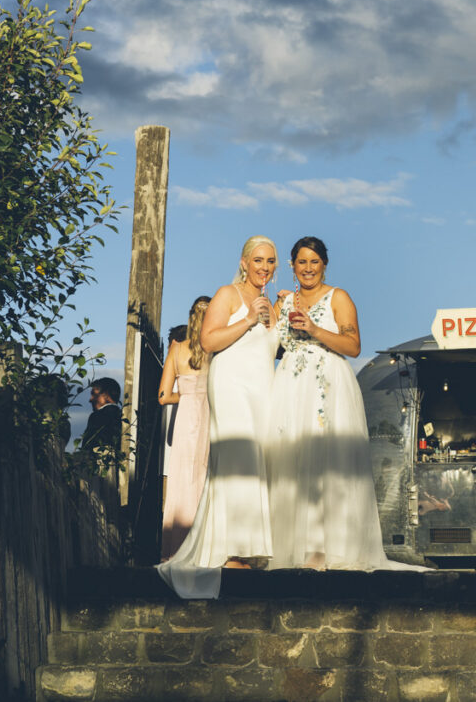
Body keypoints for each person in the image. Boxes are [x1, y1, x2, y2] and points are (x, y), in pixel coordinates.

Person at [265, 236, 426, 571]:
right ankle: (287, 546)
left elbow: (353, 345)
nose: (308, 268)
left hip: (326, 385)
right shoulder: (284, 302)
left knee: (326, 464)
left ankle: (323, 548)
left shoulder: (338, 297)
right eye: (302, 262)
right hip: (290, 387)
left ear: (324, 264)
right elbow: (270, 344)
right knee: (289, 461)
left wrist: (312, 328)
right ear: (293, 267)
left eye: (314, 261)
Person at [157, 236, 279, 598]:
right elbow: (209, 341)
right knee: (235, 462)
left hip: (261, 390)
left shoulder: (268, 302)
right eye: (258, 260)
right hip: (231, 388)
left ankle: (248, 546)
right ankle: (229, 550)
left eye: (270, 261)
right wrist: (249, 320)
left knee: (257, 465)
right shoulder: (227, 294)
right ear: (244, 262)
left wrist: (280, 317)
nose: (264, 267)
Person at [157, 297, 211, 561]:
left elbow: (163, 396)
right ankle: (205, 547)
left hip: (186, 418)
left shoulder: (176, 349)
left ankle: (177, 548)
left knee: (182, 480)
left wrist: (188, 395)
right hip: (211, 413)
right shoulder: (218, 350)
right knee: (206, 477)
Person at [79, 377, 122, 453]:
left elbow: (87, 448)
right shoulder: (123, 417)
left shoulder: (96, 417)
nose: (90, 399)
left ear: (106, 395)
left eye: (93, 394)